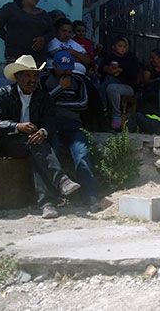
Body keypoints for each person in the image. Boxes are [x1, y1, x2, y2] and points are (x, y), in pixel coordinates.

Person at [0, 55, 81, 218]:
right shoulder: (1, 95)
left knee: (36, 149)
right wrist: (17, 126)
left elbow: (50, 121)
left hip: (31, 142)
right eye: (27, 76)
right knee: (35, 145)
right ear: (17, 77)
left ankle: (48, 204)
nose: (32, 80)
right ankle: (60, 184)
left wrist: (43, 131)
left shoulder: (42, 97)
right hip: (3, 142)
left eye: (35, 75)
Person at [40, 51, 99, 212]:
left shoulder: (79, 80)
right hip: (52, 125)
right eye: (63, 69)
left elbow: (83, 104)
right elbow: (42, 103)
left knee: (82, 156)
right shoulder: (44, 78)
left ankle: (90, 196)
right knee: (53, 156)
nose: (67, 72)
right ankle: (53, 199)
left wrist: (57, 105)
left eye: (69, 69)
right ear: (55, 66)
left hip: (73, 124)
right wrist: (60, 88)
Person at [0, 0, 54, 65]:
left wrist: (44, 39)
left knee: (33, 78)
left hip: (37, 57)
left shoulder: (43, 14)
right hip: (15, 55)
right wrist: (10, 39)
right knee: (16, 76)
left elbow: (52, 31)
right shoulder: (11, 8)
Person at [99, 36, 140, 130]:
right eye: (120, 46)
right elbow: (101, 68)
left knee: (111, 87)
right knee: (107, 83)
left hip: (128, 86)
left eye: (124, 46)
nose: (122, 49)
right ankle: (103, 110)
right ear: (114, 47)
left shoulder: (131, 58)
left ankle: (114, 114)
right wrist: (107, 69)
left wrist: (120, 70)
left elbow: (134, 73)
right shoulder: (109, 57)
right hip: (109, 82)